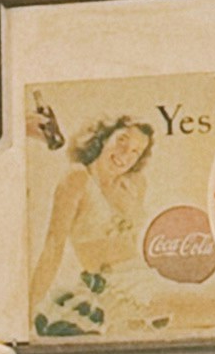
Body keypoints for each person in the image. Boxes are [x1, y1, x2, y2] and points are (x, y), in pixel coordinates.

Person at [30, 112, 158, 335]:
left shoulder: (136, 184)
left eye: (136, 152)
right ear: (102, 138)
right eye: (122, 141)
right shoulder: (77, 178)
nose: (125, 155)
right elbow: (53, 245)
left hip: (144, 277)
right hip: (112, 287)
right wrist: (28, 307)